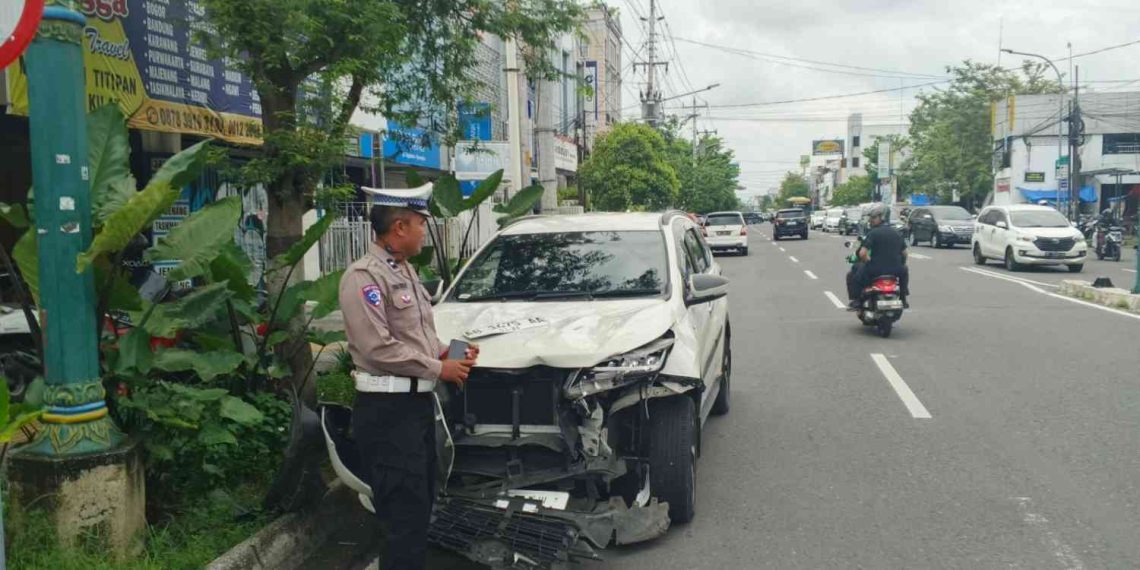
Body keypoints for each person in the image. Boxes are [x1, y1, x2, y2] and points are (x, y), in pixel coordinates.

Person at [338, 184, 478, 570]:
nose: (422, 230)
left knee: (418, 510)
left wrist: (445, 353)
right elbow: (377, 348)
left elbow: (418, 335)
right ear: (399, 227)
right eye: (419, 223)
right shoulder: (363, 278)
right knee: (402, 518)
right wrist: (439, 368)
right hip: (386, 412)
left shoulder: (405, 271)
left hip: (415, 407)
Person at [846, 204, 909, 309]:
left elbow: (862, 254)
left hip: (876, 269)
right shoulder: (896, 233)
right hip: (896, 270)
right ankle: (903, 298)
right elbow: (905, 254)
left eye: (874, 217)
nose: (871, 220)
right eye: (871, 217)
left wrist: (867, 262)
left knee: (854, 272)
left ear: (883, 217)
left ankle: (857, 301)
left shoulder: (873, 233)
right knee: (905, 270)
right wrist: (901, 264)